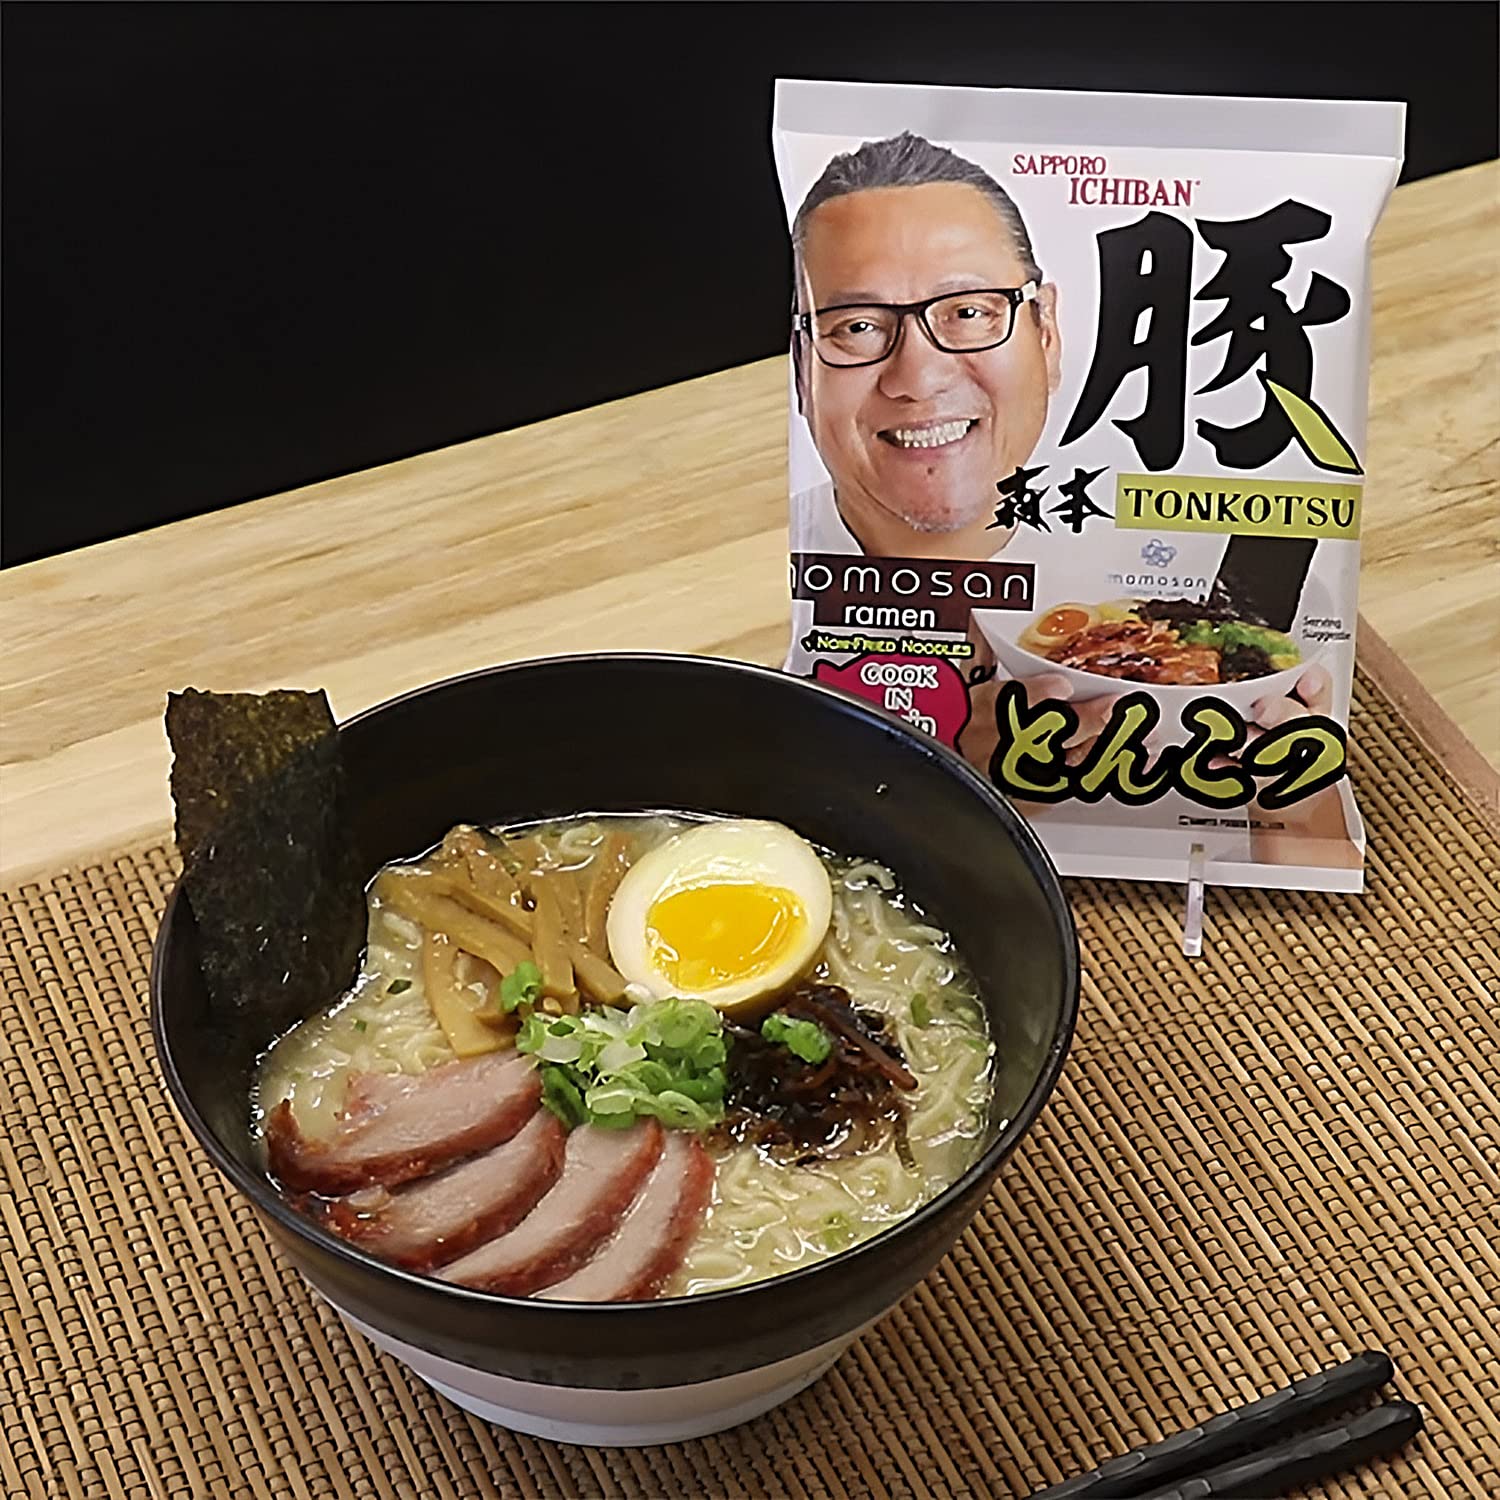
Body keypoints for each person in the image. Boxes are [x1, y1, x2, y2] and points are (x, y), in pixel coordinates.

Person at [788, 131, 1360, 871]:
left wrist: (1296, 809)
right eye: (858, 327)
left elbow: (1320, 882)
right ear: (802, 362)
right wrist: (972, 809)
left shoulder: (1207, 564)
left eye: (969, 312)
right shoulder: (779, 575)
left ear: (1047, 332)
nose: (919, 377)